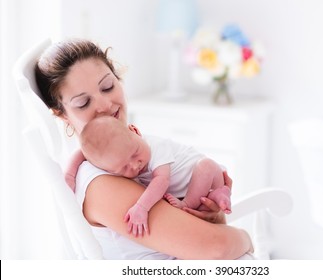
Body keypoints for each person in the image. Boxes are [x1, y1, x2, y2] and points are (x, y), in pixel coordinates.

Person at [34, 38, 254, 259]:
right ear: (62, 114)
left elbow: (209, 241)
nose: (104, 105)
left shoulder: (134, 146)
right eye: (83, 103)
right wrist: (245, 238)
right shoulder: (99, 184)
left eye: (108, 87)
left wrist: (212, 216)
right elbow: (217, 248)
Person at [65, 115, 232, 237]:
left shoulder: (156, 148)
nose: (135, 165)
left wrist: (141, 207)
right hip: (199, 193)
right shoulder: (113, 156)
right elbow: (83, 152)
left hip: (209, 175)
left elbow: (162, 180)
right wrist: (70, 175)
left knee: (206, 165)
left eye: (135, 153)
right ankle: (218, 194)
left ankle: (202, 198)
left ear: (136, 131)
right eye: (123, 168)